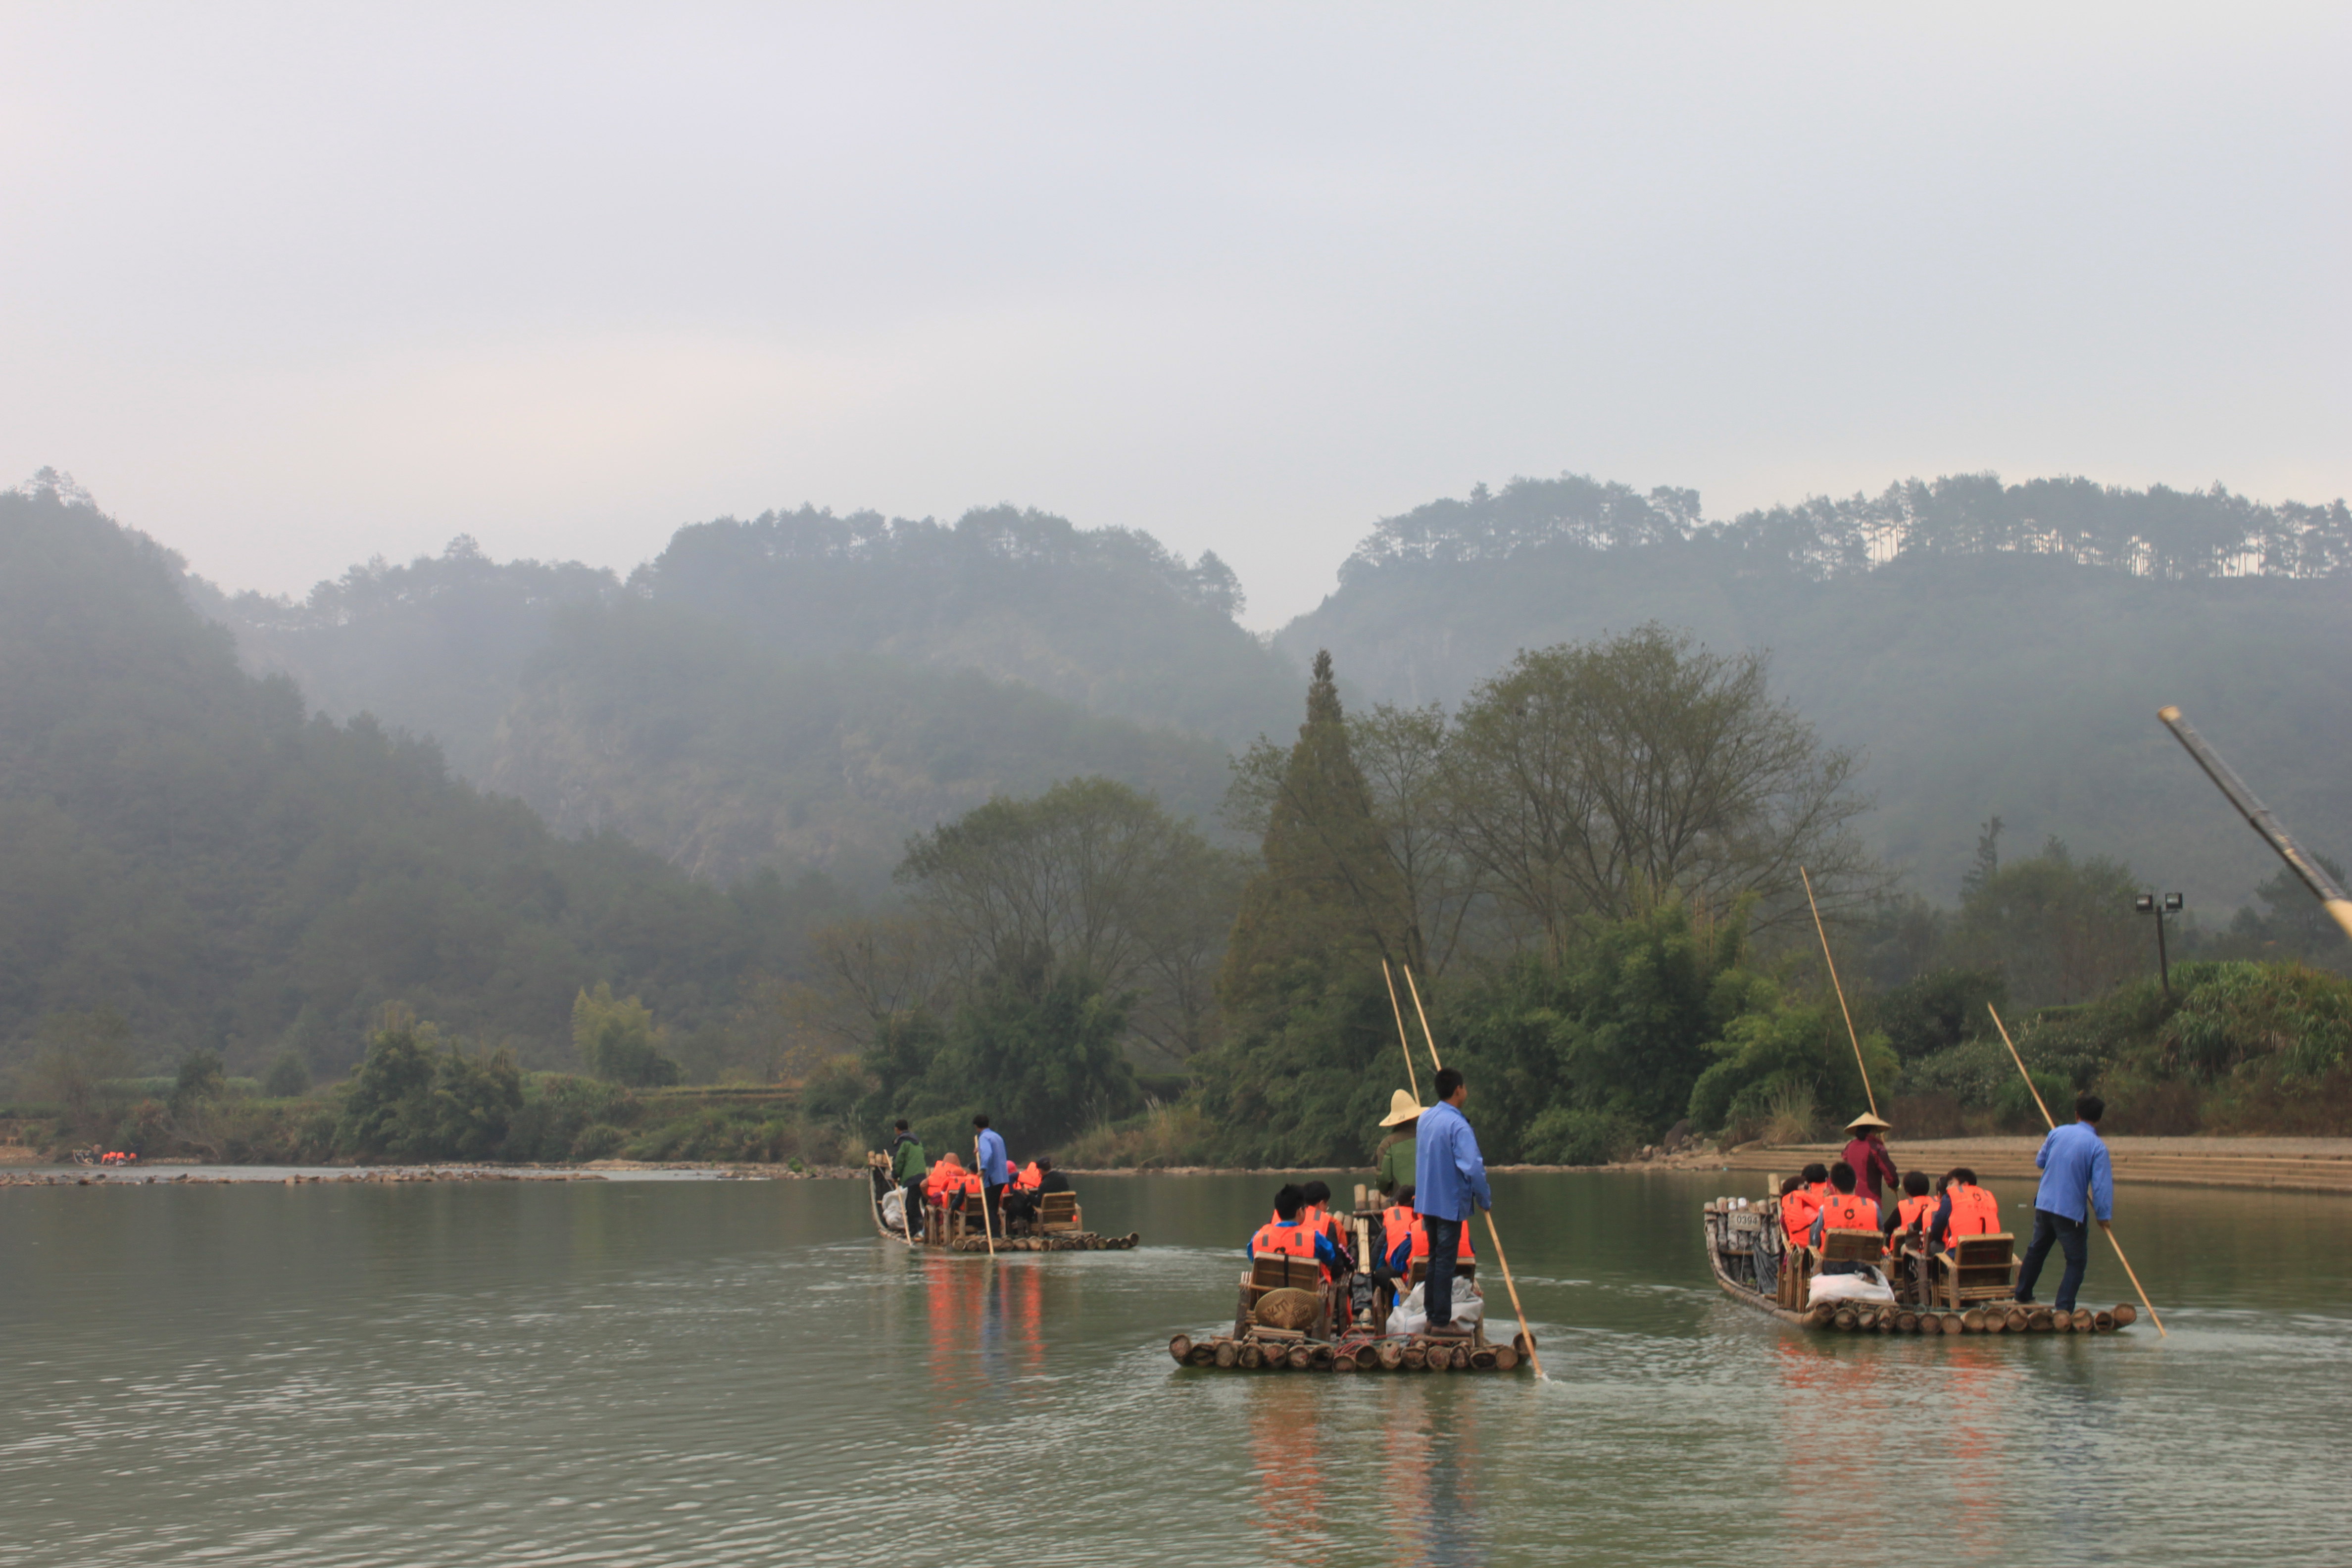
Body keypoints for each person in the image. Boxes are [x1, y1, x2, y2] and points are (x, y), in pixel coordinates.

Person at [2016, 1095, 2114, 1313]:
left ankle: (2022, 1295)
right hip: (2070, 1212)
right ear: (2098, 1119)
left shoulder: (2057, 1133)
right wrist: (2103, 1215)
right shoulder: (2098, 1147)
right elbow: (2100, 1187)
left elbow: (2040, 1162)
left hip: (2044, 1204)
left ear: (2077, 1115)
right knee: (2076, 1261)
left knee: (2036, 1250)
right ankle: (2064, 1307)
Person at [1413, 1066, 1490, 1334]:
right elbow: (1473, 1168)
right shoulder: (1458, 1124)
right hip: (1447, 1203)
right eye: (1464, 1087)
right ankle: (1442, 1321)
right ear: (1458, 1090)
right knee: (1445, 1261)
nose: (1466, 1091)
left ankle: (1432, 1316)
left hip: (1427, 1201)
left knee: (1436, 1259)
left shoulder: (1425, 1118)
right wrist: (1484, 1198)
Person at [1248, 1183, 1342, 1281]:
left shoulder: (1258, 1237)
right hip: (1304, 1295)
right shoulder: (1314, 1237)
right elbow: (1331, 1258)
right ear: (1299, 1212)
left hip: (1267, 1294)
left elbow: (1252, 1259)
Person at [1808, 1161, 1880, 1273]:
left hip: (1833, 1269)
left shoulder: (1825, 1208)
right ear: (1856, 1184)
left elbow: (1817, 1241)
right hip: (1865, 1267)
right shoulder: (1873, 1206)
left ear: (1834, 1188)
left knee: (1814, 1228)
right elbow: (1880, 1233)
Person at [1926, 1167, 2001, 1256]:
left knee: (1934, 1246)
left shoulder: (1951, 1197)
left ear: (1964, 1185)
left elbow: (1937, 1229)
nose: (1947, 1188)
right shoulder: (1988, 1196)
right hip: (1992, 1253)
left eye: (1951, 1184)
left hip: (1960, 1255)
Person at [1841, 1114, 1899, 1208]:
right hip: (1871, 1201)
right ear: (1873, 1130)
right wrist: (1894, 1185)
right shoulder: (1876, 1148)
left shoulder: (1850, 1146)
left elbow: (1843, 1167)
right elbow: (1890, 1173)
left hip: (1850, 1200)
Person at [1373, 1089, 1421, 1196]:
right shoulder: (1430, 1137)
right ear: (1416, 1116)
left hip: (1403, 1204)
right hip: (1431, 1205)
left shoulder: (1387, 1144)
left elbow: (1384, 1180)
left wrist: (1386, 1190)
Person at [888, 1119, 929, 1233]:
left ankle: (918, 1230)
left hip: (912, 1177)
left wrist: (895, 1175)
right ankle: (913, 1229)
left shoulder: (902, 1142)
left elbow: (899, 1160)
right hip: (922, 1176)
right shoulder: (917, 1141)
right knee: (912, 1203)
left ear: (897, 1129)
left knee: (912, 1205)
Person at [973, 1114, 1009, 1235]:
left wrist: (983, 1169)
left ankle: (993, 1234)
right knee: (992, 1206)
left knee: (989, 1208)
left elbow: (988, 1153)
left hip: (993, 1177)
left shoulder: (983, 1138)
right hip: (1002, 1177)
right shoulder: (997, 1137)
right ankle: (991, 1230)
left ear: (977, 1127)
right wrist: (980, 1151)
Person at [1882, 1170, 1934, 1251]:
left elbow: (1886, 1229)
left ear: (1907, 1191)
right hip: (1930, 1249)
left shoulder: (1902, 1208)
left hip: (1907, 1250)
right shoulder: (1936, 1204)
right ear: (1927, 1188)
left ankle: (1890, 1258)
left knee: (1890, 1233)